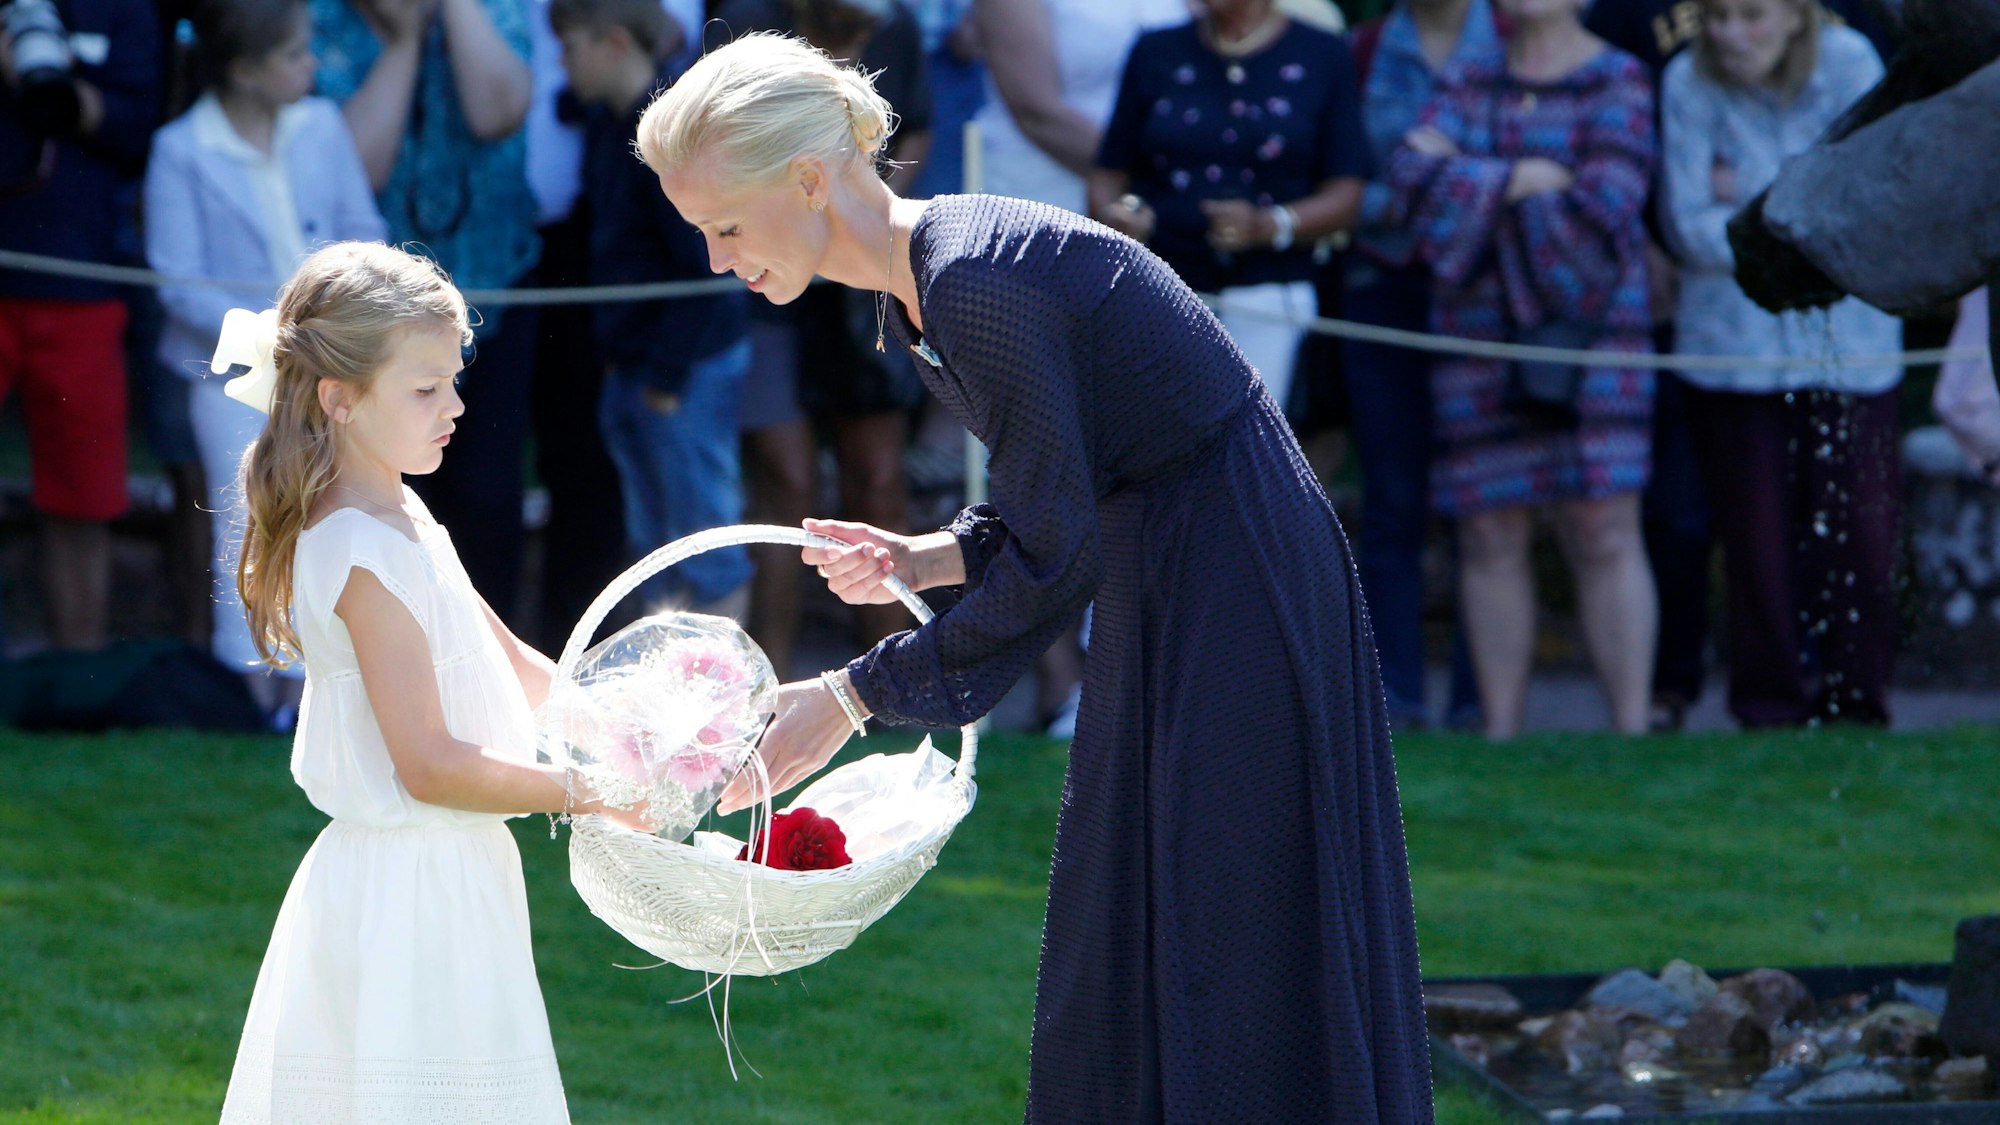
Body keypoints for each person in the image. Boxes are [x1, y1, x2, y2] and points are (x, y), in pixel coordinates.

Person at [647, 33, 1432, 1121]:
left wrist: (847, 697)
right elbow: (1062, 490)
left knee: (1235, 915)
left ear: (809, 181)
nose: (717, 260)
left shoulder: (970, 280)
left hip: (1236, 578)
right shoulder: (933, 280)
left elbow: (1057, 556)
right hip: (1174, 562)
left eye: (725, 227)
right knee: (1140, 906)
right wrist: (926, 557)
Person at [216, 242, 642, 1120]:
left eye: (453, 380)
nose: (454, 406)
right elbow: (430, 764)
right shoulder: (355, 548)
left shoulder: (404, 509)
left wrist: (636, 737)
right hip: (403, 896)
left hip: (457, 876)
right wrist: (587, 792)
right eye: (424, 389)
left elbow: (510, 661)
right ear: (339, 399)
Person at [1386, 0, 1659, 738]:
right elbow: (1409, 180)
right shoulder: (1469, 78)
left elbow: (1609, 204)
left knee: (1603, 525)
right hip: (1479, 341)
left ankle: (1632, 733)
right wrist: (1521, 179)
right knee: (1488, 531)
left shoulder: (1620, 79)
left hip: (1596, 332)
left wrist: (1472, 188)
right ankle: (1501, 735)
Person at [146, 0, 387, 720]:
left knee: (333, 513)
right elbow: (178, 282)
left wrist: (341, 335)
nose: (309, 66)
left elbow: (362, 234)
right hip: (235, 378)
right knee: (243, 521)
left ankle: (321, 685)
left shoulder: (322, 126)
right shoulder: (182, 148)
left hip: (332, 368)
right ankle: (251, 683)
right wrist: (279, 342)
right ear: (246, 72)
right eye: (292, 55)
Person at [1660, 0, 1898, 727]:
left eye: (1752, 16)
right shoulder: (1686, 79)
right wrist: (1802, 202)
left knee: (1860, 529)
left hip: (1851, 348)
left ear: (1797, 15)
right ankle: (1768, 708)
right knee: (1754, 539)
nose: (1730, 35)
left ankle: (1857, 701)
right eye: (1717, 16)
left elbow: (1878, 202)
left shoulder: (1853, 64)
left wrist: (1750, 202)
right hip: (1734, 354)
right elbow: (1687, 225)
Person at [705, 0, 934, 671]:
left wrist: (856, 216)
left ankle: (894, 677)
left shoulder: (897, 24)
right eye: (843, 31)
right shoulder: (744, 22)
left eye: (863, 34)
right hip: (767, 278)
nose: (856, 42)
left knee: (877, 476)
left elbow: (914, 131)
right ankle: (769, 677)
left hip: (863, 280)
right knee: (786, 480)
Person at [311, 0, 540, 613]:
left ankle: (488, 663)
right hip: (373, 323)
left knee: (487, 494)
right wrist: (406, 43)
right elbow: (352, 166)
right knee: (384, 493)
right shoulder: (320, 21)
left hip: (493, 291)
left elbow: (498, 110)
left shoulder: (496, 11)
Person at [552, 0, 753, 614]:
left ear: (614, 42)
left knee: (708, 547)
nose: (563, 65)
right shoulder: (607, 120)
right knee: (653, 553)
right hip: (635, 367)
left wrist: (665, 379)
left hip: (685, 369)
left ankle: (736, 704)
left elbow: (706, 271)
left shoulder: (671, 138)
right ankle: (670, 703)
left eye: (571, 48)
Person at [1337, 0, 1498, 731]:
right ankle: (1393, 697)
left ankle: (1484, 700)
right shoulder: (1363, 50)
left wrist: (1428, 186)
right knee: (1393, 502)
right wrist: (1456, 188)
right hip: (1381, 292)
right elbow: (1337, 183)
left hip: (1490, 293)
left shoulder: (1515, 38)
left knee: (1486, 505)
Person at [1088, 0, 1370, 414]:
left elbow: (1347, 192)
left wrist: (1269, 225)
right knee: (1151, 440)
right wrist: (1121, 219)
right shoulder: (1156, 50)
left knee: (1244, 444)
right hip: (1159, 286)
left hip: (1271, 290)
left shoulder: (1322, 53)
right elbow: (1108, 173)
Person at [0, 0, 161, 652]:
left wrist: (45, 87)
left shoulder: (125, 11)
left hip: (82, 282)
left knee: (84, 494)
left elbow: (137, 129)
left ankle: (79, 675)